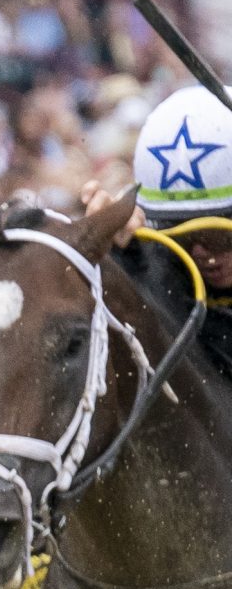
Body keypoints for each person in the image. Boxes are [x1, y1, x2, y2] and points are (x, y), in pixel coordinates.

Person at [80, 84, 232, 381]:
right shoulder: (150, 260)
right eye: (179, 235)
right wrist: (115, 259)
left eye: (218, 235)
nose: (201, 253)